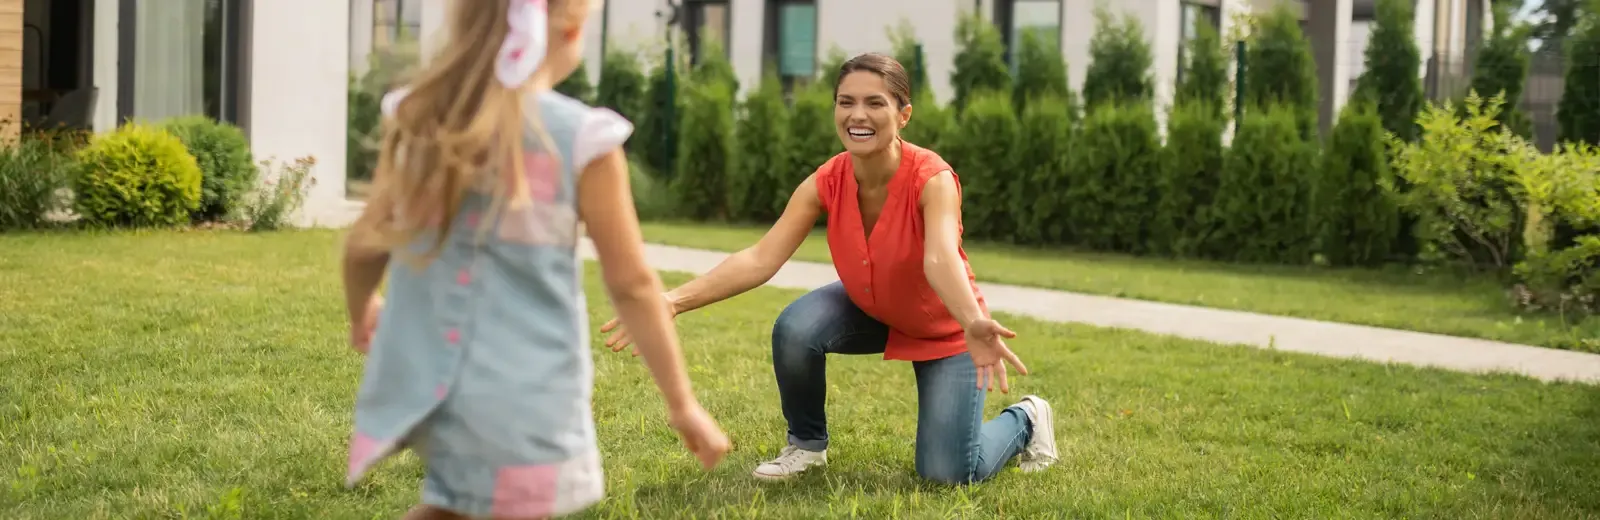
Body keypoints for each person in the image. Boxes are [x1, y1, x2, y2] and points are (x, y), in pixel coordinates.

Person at [339, 0, 730, 518]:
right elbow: (632, 283)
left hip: (431, 383)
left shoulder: (418, 117)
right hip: (527, 395)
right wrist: (682, 405)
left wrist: (362, 308)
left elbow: (365, 242)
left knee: (450, 506)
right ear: (572, 30)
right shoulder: (581, 138)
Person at [599, 52, 1058, 485]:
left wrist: (974, 321)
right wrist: (672, 302)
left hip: (947, 327)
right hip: (870, 307)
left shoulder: (932, 179)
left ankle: (1026, 418)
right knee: (797, 327)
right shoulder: (826, 181)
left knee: (949, 472)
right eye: (846, 102)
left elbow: (938, 259)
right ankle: (806, 445)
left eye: (875, 103)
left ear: (904, 114)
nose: (857, 115)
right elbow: (761, 257)